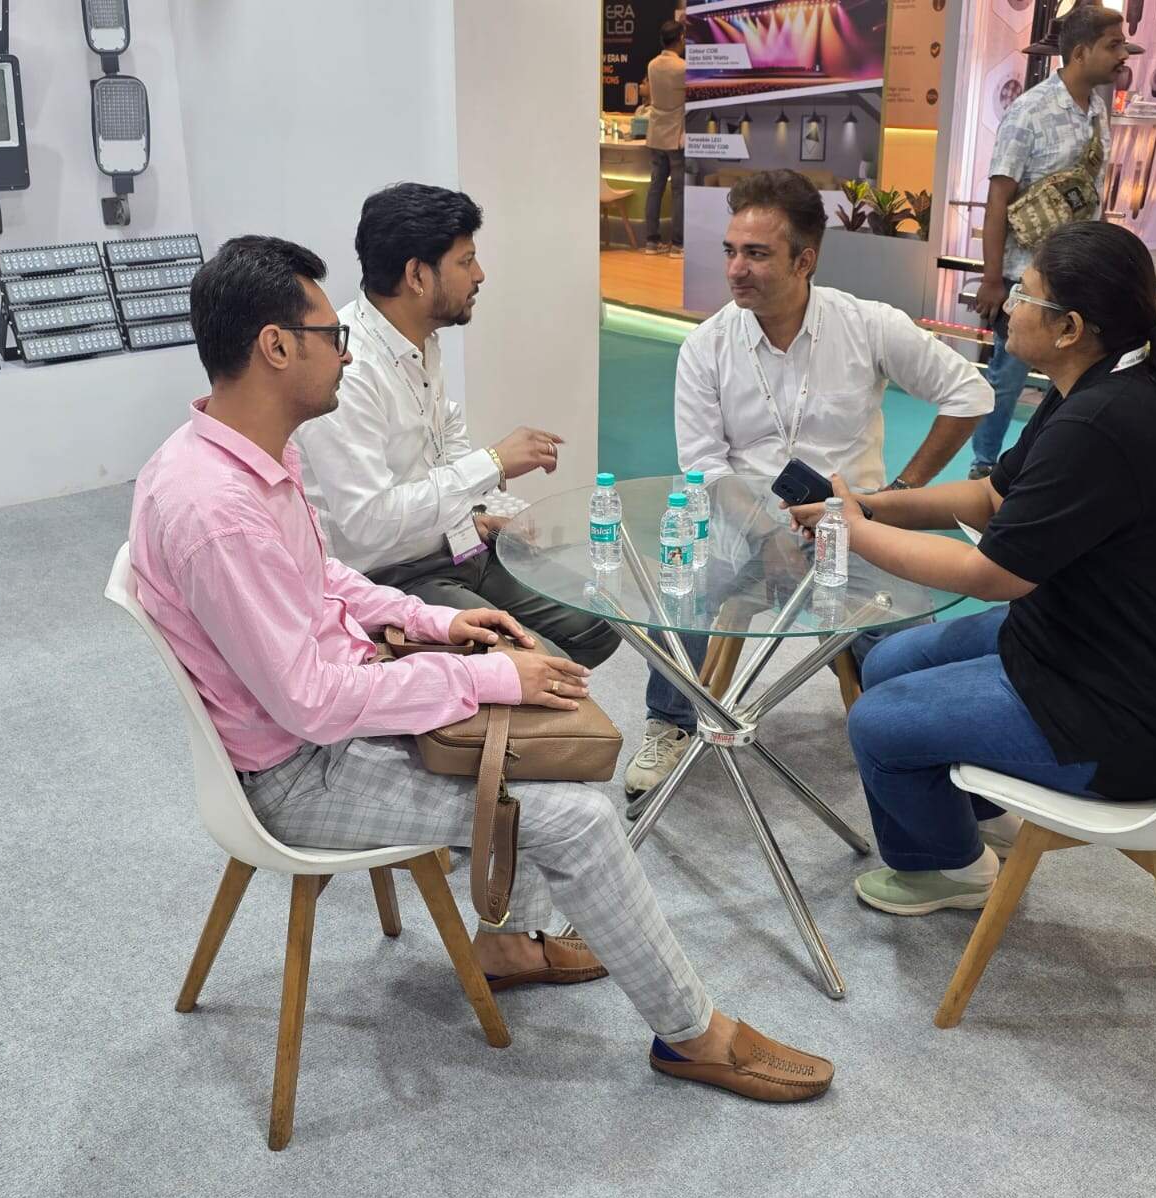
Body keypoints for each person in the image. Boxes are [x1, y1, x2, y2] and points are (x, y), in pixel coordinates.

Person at [129, 234, 833, 1100]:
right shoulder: (216, 510)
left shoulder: (243, 454)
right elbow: (311, 703)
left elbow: (324, 578)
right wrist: (483, 677)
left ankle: (507, 942)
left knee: (537, 720)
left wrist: (438, 622)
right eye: (329, 336)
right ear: (276, 347)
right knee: (577, 816)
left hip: (322, 715)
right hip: (295, 771)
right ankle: (694, 1036)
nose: (344, 352)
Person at [786, 222, 1156, 915]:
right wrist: (874, 507)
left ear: (1070, 328)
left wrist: (852, 532)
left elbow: (991, 575)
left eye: (1024, 295)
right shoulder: (1097, 384)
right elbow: (993, 497)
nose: (1005, 306)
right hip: (1100, 646)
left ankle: (950, 870)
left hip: (1130, 714)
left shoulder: (1100, 424)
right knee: (889, 660)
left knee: (877, 723)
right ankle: (977, 816)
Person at [625, 168, 992, 801]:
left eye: (756, 254)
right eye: (730, 251)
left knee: (909, 639)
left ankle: (912, 746)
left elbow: (970, 393)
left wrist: (898, 496)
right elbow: (706, 466)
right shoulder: (708, 346)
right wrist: (766, 533)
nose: (735, 269)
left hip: (854, 529)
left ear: (805, 260)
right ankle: (670, 720)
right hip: (743, 522)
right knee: (678, 594)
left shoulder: (867, 324)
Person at [297, 183, 618, 668]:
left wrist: (472, 514)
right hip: (389, 575)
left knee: (599, 622)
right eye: (466, 261)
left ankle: (501, 703)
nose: (480, 274)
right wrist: (492, 463)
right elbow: (369, 524)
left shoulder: (419, 338)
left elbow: (442, 428)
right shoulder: (350, 368)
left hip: (452, 548)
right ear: (416, 275)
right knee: (548, 667)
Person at [967, 4, 1126, 480]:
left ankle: (1050, 467)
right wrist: (992, 278)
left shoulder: (1097, 111)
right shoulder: (1029, 111)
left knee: (1076, 376)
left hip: (1079, 274)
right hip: (1027, 276)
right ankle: (983, 468)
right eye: (1113, 46)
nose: (1122, 55)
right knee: (1007, 377)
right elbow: (998, 198)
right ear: (1080, 53)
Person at [644, 19, 687, 257]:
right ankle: (678, 244)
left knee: (655, 188)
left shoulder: (652, 65)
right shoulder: (683, 68)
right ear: (680, 38)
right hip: (676, 135)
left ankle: (651, 241)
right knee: (679, 191)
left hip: (656, 133)